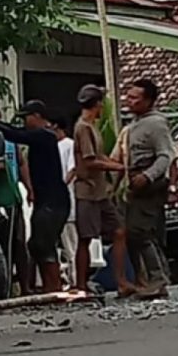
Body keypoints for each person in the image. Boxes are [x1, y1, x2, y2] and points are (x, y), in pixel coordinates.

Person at [0, 100, 70, 293]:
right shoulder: (40, 136)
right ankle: (49, 287)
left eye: (26, 117)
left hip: (53, 202)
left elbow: (13, 134)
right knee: (37, 245)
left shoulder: (45, 136)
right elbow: (14, 131)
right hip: (47, 201)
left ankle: (54, 287)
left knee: (43, 244)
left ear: (36, 116)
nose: (25, 122)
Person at [73, 85, 134, 297]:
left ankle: (121, 281)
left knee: (118, 231)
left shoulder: (92, 126)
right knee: (86, 238)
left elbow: (100, 155)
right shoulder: (83, 128)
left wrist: (116, 162)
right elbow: (90, 161)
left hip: (100, 191)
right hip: (88, 191)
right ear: (97, 104)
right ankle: (81, 285)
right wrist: (115, 167)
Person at [123, 79, 174, 297]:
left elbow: (166, 155)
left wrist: (148, 175)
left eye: (135, 98)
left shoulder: (156, 124)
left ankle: (158, 278)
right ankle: (154, 278)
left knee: (139, 231)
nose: (129, 101)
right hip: (135, 181)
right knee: (139, 232)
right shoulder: (135, 123)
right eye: (129, 96)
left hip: (150, 183)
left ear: (149, 101)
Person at [0, 103, 34, 296]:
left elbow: (21, 162)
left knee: (19, 243)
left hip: (12, 195)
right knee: (1, 245)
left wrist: (29, 189)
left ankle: (25, 287)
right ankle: (4, 289)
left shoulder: (10, 139)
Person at [53, 117, 77, 288]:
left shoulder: (69, 144)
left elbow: (72, 169)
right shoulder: (52, 146)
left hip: (66, 200)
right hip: (54, 203)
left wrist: (61, 188)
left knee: (71, 245)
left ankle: (76, 279)